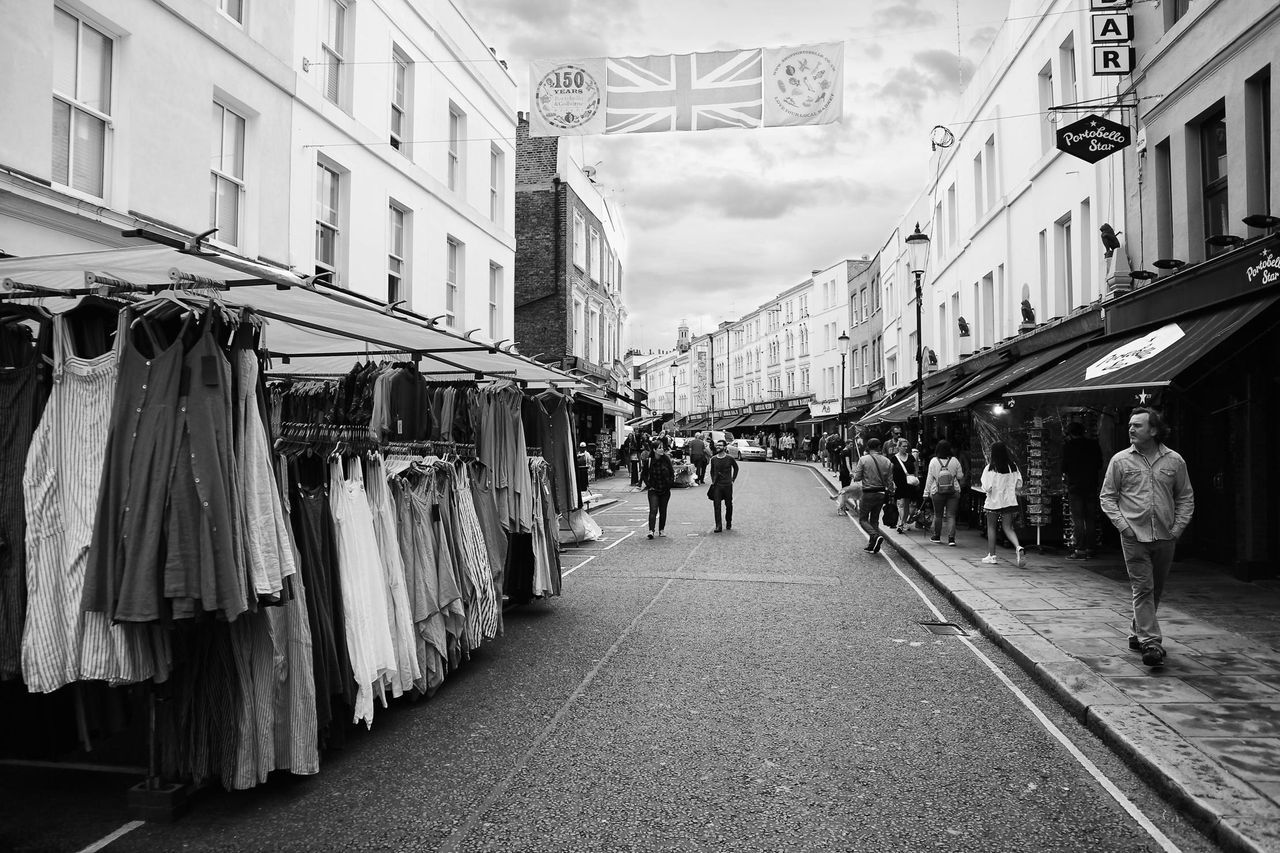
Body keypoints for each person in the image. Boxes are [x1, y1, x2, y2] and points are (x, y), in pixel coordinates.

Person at [1099, 408, 1194, 668]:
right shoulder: (1120, 461)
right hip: (1134, 536)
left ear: (1153, 430)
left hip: (1165, 535)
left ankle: (1136, 631)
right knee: (1143, 588)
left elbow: (1185, 497)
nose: (1131, 429)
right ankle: (1151, 642)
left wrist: (1177, 529)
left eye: (1137, 426)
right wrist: (1123, 526)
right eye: (1130, 425)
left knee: (1156, 589)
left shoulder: (1175, 461)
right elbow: (1107, 497)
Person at [979, 441, 1027, 567]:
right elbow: (1019, 485)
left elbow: (986, 487)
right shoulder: (1013, 467)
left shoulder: (990, 468)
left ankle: (992, 556)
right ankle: (1018, 547)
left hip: (993, 502)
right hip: (1010, 502)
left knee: (991, 527)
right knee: (1008, 528)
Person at [1061, 421, 1104, 559]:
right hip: (1091, 485)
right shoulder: (1093, 445)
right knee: (1090, 518)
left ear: (1070, 433)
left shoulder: (1068, 447)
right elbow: (1099, 464)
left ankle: (1080, 549)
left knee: (1078, 518)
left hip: (1075, 486)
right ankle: (1090, 548)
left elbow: (1063, 467)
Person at [852, 437, 895, 553]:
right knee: (875, 519)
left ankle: (875, 536)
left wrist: (854, 474)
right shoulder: (888, 461)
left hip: (868, 493)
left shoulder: (864, 459)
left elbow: (857, 477)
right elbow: (890, 482)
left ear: (868, 447)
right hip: (881, 494)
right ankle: (872, 545)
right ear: (879, 447)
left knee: (863, 519)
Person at [923, 439, 965, 546]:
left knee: (938, 515)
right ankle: (951, 539)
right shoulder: (955, 460)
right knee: (951, 515)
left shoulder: (933, 461)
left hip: (937, 492)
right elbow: (960, 476)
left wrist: (926, 492)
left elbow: (929, 478)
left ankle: (937, 536)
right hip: (953, 491)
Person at [706, 440, 739, 532]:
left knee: (728, 505)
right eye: (717, 445)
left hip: (727, 485)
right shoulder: (713, 459)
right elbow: (712, 471)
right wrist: (713, 480)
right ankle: (718, 526)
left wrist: (733, 479)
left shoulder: (730, 458)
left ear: (725, 447)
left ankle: (728, 521)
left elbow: (736, 468)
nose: (718, 447)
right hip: (717, 485)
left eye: (720, 445)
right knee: (717, 505)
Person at [645, 440, 675, 539]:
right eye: (659, 447)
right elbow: (644, 475)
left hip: (665, 489)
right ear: (654, 450)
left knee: (663, 510)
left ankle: (661, 530)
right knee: (653, 509)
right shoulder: (649, 461)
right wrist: (649, 485)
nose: (662, 449)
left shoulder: (666, 459)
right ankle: (651, 531)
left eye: (662, 447)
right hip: (653, 489)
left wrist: (669, 484)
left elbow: (671, 473)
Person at [890, 439, 920, 535]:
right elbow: (890, 472)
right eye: (903, 446)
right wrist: (891, 483)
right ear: (898, 447)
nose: (905, 448)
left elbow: (915, 469)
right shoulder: (894, 459)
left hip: (909, 484)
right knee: (902, 504)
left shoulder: (911, 457)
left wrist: (916, 479)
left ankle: (903, 523)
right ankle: (901, 523)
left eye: (907, 446)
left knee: (907, 504)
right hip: (899, 484)